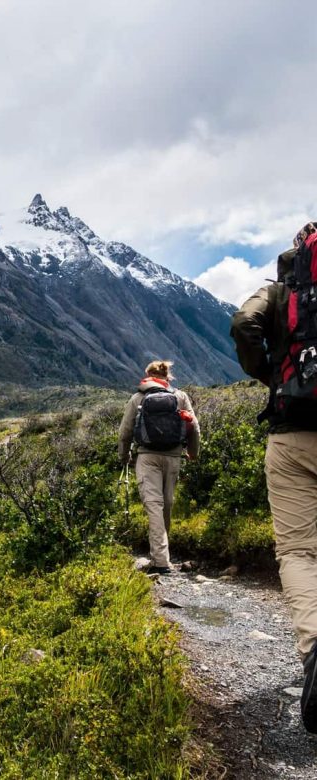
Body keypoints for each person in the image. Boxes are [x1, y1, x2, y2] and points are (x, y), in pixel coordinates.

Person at [231, 222, 317, 733]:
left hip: (291, 434)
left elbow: (244, 322)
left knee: (299, 551)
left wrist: (269, 373)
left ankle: (315, 649)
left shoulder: (282, 292)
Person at [118, 360, 200, 575]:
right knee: (167, 504)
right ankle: (163, 554)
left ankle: (161, 560)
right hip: (173, 457)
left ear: (148, 376)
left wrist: (124, 456)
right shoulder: (180, 396)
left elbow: (125, 432)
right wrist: (193, 452)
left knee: (154, 505)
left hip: (147, 457)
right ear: (167, 376)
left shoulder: (138, 398)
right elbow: (194, 427)